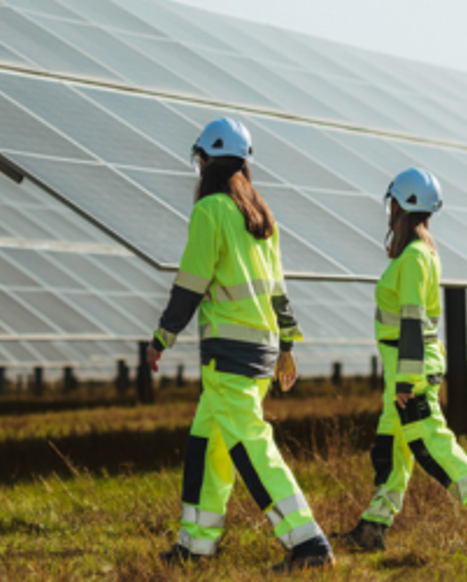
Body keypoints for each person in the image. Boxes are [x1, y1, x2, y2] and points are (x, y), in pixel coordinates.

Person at [149, 118, 333, 572]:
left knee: (251, 445)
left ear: (207, 162)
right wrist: (287, 345)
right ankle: (196, 545)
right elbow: (279, 291)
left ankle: (308, 541)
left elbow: (191, 283)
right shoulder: (262, 220)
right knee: (207, 445)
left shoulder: (211, 210)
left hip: (229, 354)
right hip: (259, 350)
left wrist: (161, 337)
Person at [333, 168, 467, 551]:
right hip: (400, 367)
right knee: (391, 449)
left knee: (430, 442)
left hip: (410, 367)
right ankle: (373, 528)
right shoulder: (418, 254)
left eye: (392, 203)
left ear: (399, 205)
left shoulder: (416, 256)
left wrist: (405, 380)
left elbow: (414, 320)